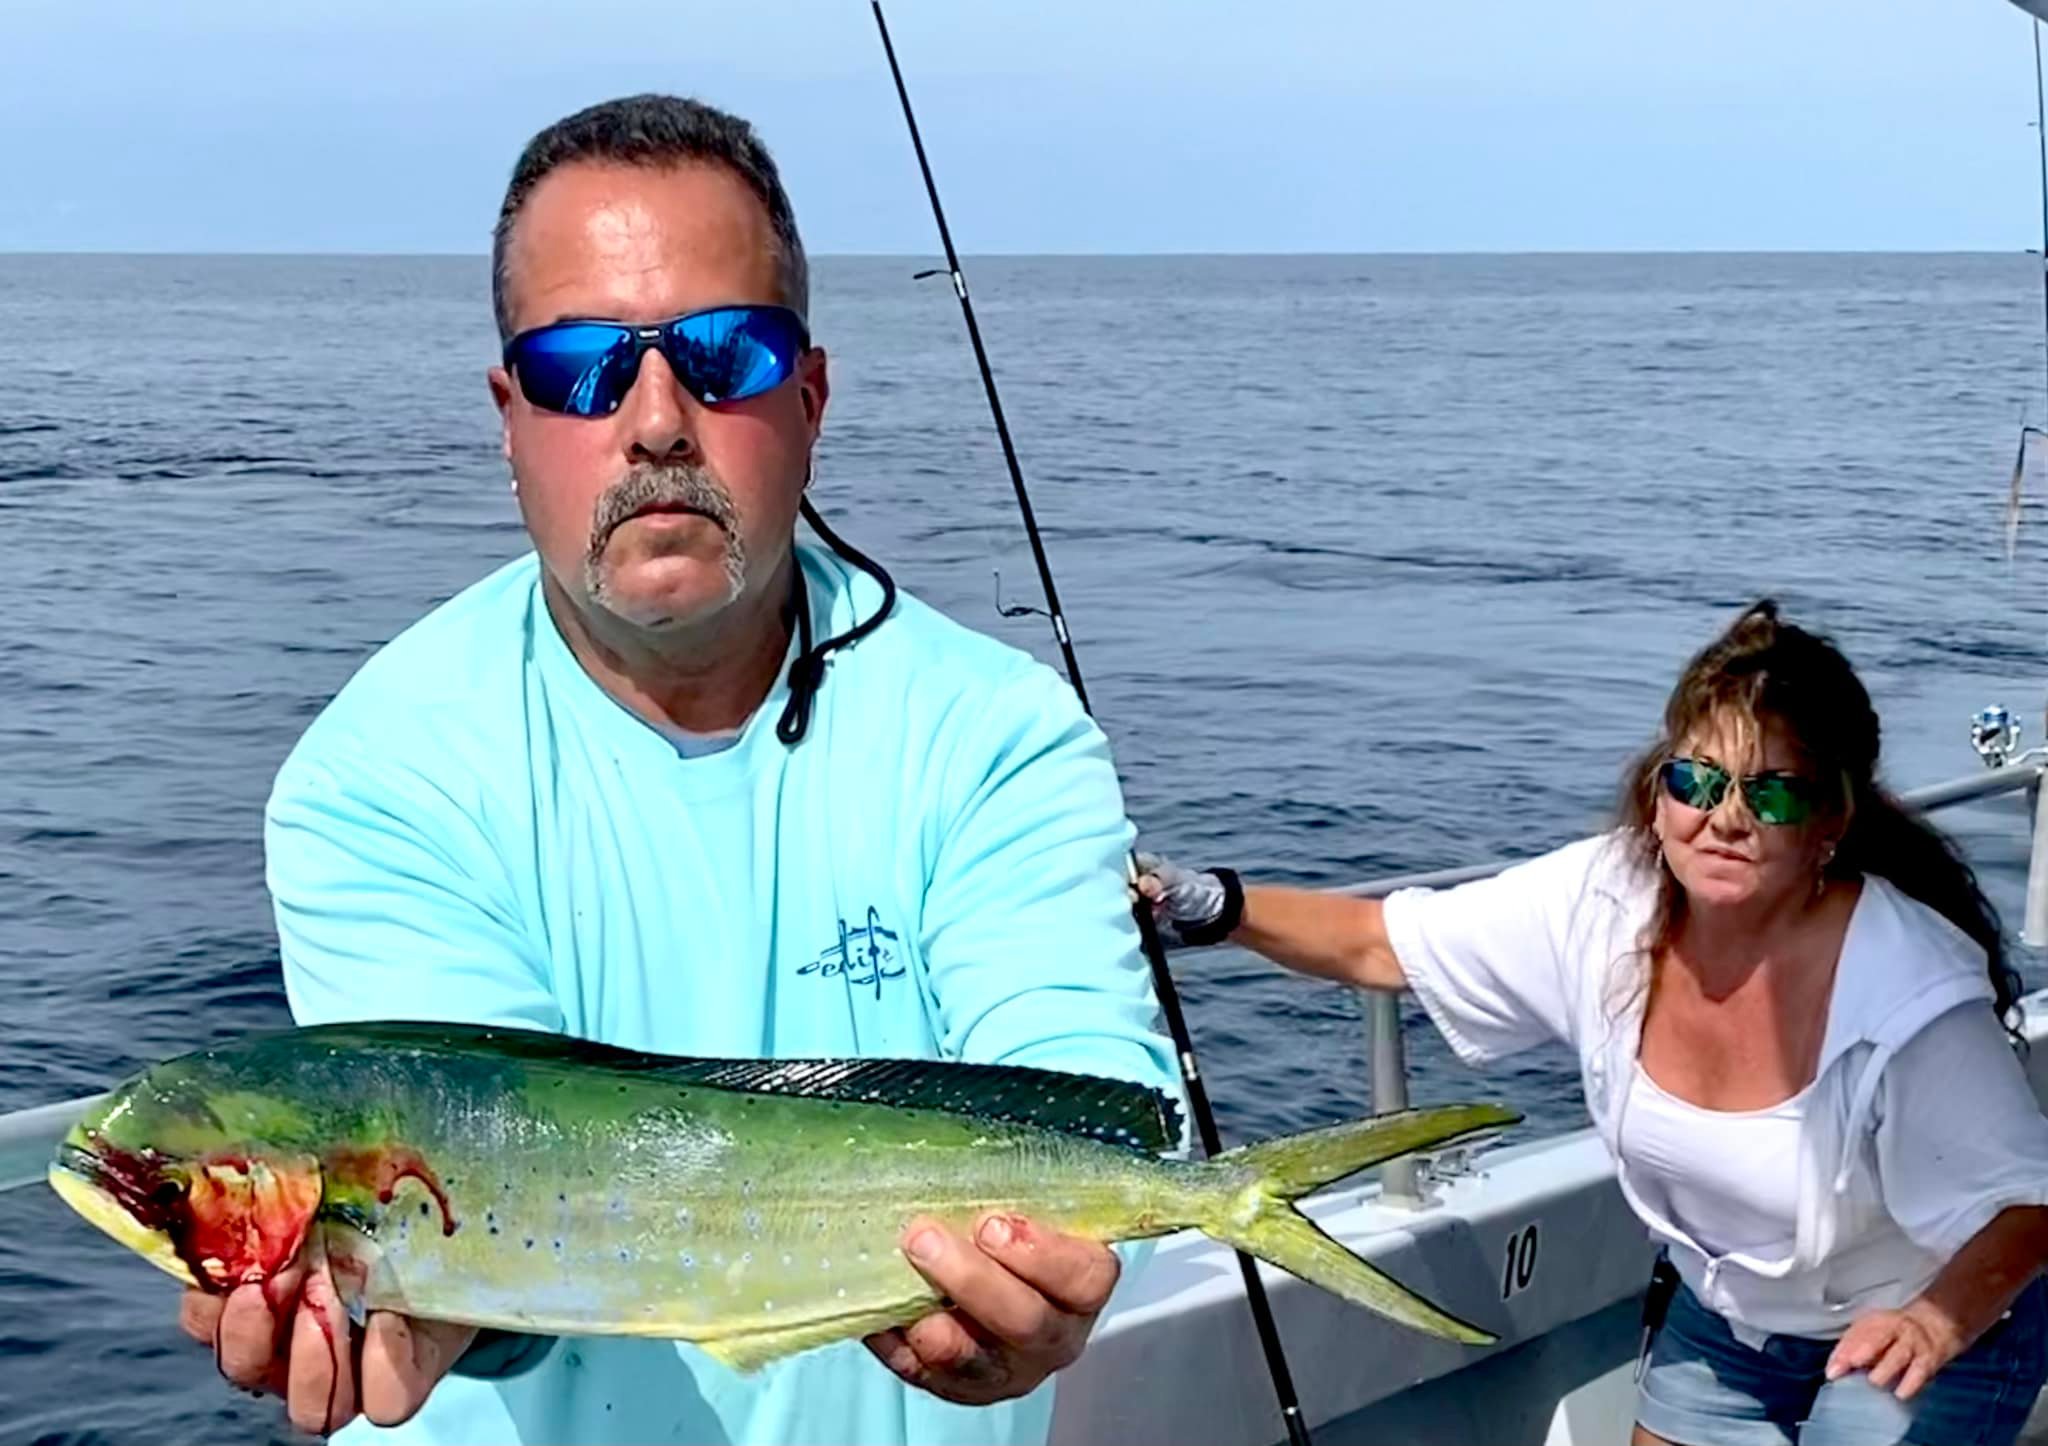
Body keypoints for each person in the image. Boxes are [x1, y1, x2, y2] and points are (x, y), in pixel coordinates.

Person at [175, 93, 1179, 1446]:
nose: (656, 419)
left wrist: (1049, 1278)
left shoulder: (998, 732)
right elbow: (455, 1188)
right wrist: (427, 1312)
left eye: (725, 352)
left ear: (809, 398)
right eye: (580, 366)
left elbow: (1084, 1086)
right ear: (509, 416)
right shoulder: (379, 773)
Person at [1143, 601, 2048, 1446]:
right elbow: (1382, 943)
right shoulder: (1602, 899)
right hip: (1730, 1317)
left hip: (1933, 1316)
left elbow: (2028, 1208)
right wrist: (1215, 906)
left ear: (1831, 821)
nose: (1725, 820)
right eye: (1697, 781)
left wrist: (1932, 1324)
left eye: (1772, 794)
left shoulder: (1911, 990)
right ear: (1658, 796)